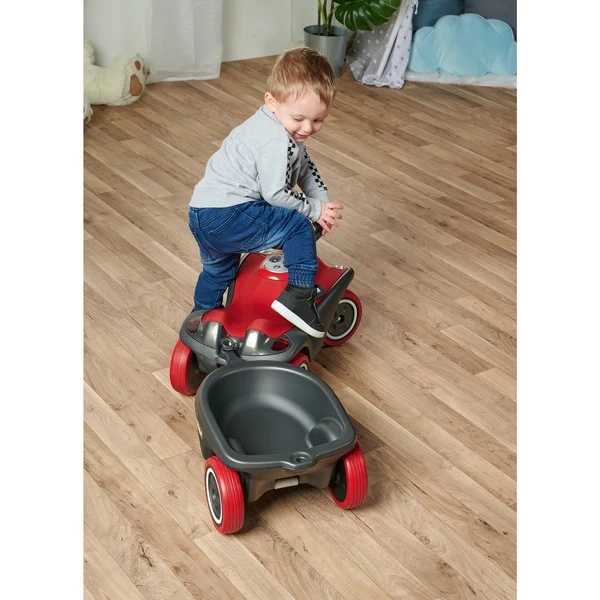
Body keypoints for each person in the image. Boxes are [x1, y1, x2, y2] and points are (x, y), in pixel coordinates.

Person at [188, 47, 343, 338]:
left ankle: (201, 321)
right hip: (230, 213)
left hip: (202, 213)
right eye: (299, 118)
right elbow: (275, 193)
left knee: (218, 272)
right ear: (271, 101)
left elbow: (306, 170)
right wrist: (312, 210)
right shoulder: (275, 140)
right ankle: (298, 296)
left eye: (318, 120)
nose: (307, 128)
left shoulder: (274, 126)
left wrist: (323, 205)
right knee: (296, 225)